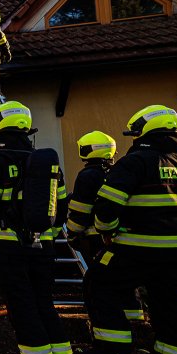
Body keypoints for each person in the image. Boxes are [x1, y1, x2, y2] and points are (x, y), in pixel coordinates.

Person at [80, 105, 177, 354]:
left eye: (136, 133)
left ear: (146, 131)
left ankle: (112, 348)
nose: (134, 139)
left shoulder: (135, 162)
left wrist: (107, 233)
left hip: (138, 248)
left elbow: (107, 207)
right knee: (170, 300)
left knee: (99, 283)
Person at [0, 101, 72, 354]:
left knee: (22, 305)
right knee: (44, 302)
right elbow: (61, 209)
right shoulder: (46, 161)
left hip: (10, 249)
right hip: (45, 247)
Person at [65, 131, 145, 324]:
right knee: (125, 281)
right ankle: (135, 320)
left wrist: (72, 234)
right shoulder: (119, 172)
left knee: (97, 283)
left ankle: (104, 324)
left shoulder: (87, 176)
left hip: (95, 239)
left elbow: (80, 210)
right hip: (122, 239)